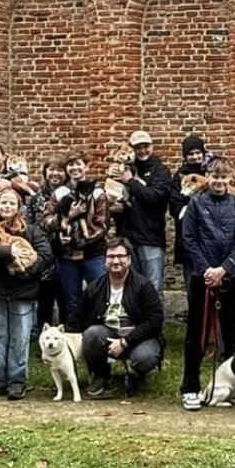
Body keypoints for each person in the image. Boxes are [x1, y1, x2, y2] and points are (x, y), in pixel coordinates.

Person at [178, 154, 235, 411]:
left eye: (223, 176)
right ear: (207, 177)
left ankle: (234, 385)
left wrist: (224, 268)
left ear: (229, 178)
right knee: (196, 334)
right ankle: (191, 387)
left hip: (231, 276)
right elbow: (189, 239)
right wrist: (207, 269)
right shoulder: (196, 204)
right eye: (215, 176)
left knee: (233, 333)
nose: (219, 181)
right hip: (203, 278)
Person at [0, 185, 55, 400]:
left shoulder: (32, 230)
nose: (7, 206)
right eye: (4, 202)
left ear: (19, 207)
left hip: (22, 291)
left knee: (20, 337)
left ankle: (17, 381)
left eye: (12, 203)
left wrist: (26, 274)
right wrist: (6, 251)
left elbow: (45, 255)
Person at [74, 237, 166, 397]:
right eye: (111, 256)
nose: (116, 261)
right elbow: (77, 315)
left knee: (145, 357)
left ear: (129, 259)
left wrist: (125, 342)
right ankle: (101, 374)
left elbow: (155, 320)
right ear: (105, 261)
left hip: (140, 337)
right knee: (91, 334)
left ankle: (138, 374)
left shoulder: (143, 285)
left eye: (120, 256)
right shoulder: (95, 287)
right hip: (108, 335)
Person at [45, 154, 109, 326]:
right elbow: (46, 220)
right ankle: (74, 335)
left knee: (100, 296)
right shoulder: (59, 193)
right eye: (71, 165)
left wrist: (75, 240)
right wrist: (65, 219)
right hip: (67, 256)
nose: (75, 168)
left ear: (86, 166)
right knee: (71, 301)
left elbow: (102, 225)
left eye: (78, 164)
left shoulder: (98, 192)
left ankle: (99, 334)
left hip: (93, 254)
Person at [116, 129, 175, 290]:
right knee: (130, 289)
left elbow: (155, 196)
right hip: (127, 238)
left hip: (150, 238)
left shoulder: (160, 171)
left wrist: (131, 181)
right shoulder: (124, 169)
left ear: (152, 146)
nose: (142, 151)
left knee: (153, 289)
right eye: (138, 147)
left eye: (145, 146)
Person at [29, 160, 69, 330]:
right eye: (51, 169)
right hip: (44, 254)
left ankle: (66, 334)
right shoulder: (36, 198)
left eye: (60, 170)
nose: (55, 173)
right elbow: (30, 224)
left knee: (66, 297)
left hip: (66, 253)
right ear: (45, 173)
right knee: (44, 299)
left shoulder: (72, 194)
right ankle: (43, 335)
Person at [170, 134, 211, 288]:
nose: (195, 157)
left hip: (211, 240)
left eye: (198, 152)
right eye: (190, 154)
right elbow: (175, 206)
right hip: (189, 240)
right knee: (193, 287)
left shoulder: (211, 172)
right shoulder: (179, 177)